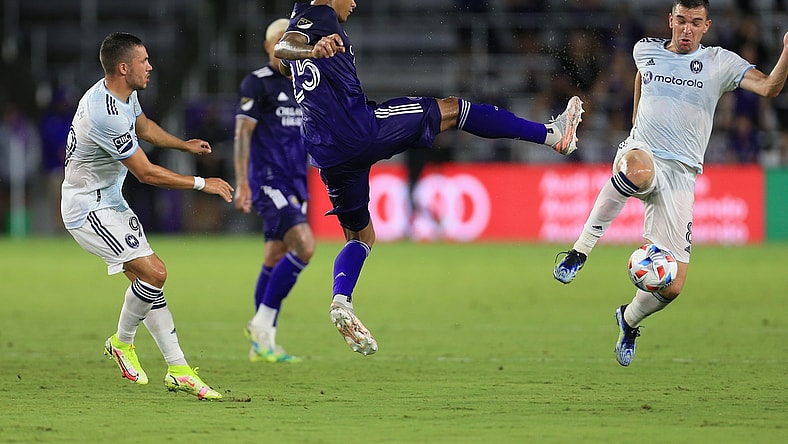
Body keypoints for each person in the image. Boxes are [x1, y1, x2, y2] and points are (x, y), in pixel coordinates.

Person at [275, 0, 584, 356]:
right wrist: (310, 48)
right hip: (359, 130)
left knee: (361, 235)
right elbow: (286, 45)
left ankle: (341, 301)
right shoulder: (321, 15)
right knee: (455, 109)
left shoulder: (304, 14)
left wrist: (304, 52)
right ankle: (552, 134)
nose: (356, 3)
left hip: (326, 152)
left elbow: (285, 56)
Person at [553, 0, 788, 366]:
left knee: (673, 284)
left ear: (707, 25)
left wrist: (786, 54)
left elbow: (771, 87)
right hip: (642, 152)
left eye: (695, 22)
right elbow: (641, 76)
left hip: (682, 174)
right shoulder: (644, 49)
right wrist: (634, 126)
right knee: (638, 170)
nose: (686, 29)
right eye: (681, 21)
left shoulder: (720, 63)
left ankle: (628, 320)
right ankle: (579, 251)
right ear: (670, 20)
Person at [61, 32, 234, 399]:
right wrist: (203, 183)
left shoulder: (124, 94)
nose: (150, 66)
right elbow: (147, 173)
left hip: (108, 200)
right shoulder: (103, 113)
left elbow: (145, 127)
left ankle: (178, 369)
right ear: (124, 68)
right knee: (155, 272)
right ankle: (122, 343)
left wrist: (182, 144)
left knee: (149, 281)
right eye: (144, 61)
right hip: (86, 207)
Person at [233, 18, 315, 363]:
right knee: (305, 246)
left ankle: (262, 346)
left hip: (297, 182)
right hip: (269, 181)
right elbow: (243, 133)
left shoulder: (305, 84)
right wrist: (242, 182)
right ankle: (260, 324)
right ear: (269, 46)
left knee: (274, 256)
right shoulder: (258, 83)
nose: (289, 47)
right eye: (283, 41)